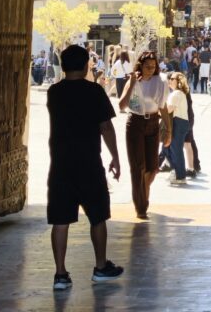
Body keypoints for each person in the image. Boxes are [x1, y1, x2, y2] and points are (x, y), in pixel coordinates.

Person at [46, 43, 123, 291]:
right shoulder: (94, 92)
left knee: (60, 219)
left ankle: (60, 274)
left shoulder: (53, 92)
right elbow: (106, 127)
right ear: (86, 64)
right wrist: (115, 156)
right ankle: (101, 267)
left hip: (60, 164)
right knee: (98, 217)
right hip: (89, 162)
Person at [118, 50, 172, 219]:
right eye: (147, 66)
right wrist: (133, 82)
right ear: (140, 66)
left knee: (153, 167)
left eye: (153, 67)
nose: (150, 69)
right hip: (135, 122)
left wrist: (168, 130)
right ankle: (141, 206)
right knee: (138, 167)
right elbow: (122, 105)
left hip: (153, 123)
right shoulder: (134, 80)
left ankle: (143, 191)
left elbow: (163, 106)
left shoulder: (160, 81)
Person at [161, 72, 190, 185]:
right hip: (178, 122)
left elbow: (168, 109)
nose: (170, 80)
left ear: (179, 82)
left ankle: (181, 176)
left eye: (172, 78)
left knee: (176, 149)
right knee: (168, 148)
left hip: (178, 122)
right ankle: (176, 171)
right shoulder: (176, 93)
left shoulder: (177, 93)